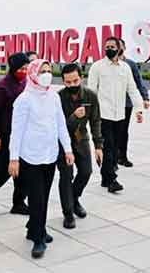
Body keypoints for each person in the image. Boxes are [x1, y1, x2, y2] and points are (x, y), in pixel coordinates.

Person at [8, 59, 74, 259]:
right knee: (36, 198)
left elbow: (61, 124)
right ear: (33, 74)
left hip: (50, 155)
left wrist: (68, 149)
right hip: (31, 157)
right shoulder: (24, 100)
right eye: (42, 71)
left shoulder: (53, 97)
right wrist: (14, 159)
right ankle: (38, 238)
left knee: (44, 196)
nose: (46, 74)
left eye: (48, 70)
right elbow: (16, 132)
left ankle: (36, 229)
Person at [87, 37, 144, 193]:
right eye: (107, 46)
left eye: (112, 46)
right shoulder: (97, 67)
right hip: (102, 114)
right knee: (109, 146)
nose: (109, 48)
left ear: (119, 49)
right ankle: (112, 180)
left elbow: (132, 89)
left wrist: (139, 109)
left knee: (114, 146)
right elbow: (91, 91)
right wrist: (90, 113)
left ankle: (106, 178)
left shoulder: (125, 68)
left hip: (120, 114)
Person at [0, 52, 30, 214]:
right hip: (7, 134)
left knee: (22, 169)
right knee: (6, 169)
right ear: (14, 67)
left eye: (26, 67)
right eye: (22, 68)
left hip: (23, 133)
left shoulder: (26, 83)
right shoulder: (2, 86)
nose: (25, 70)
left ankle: (18, 203)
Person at [57, 63, 103, 229]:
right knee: (66, 176)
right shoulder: (58, 98)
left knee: (86, 172)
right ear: (63, 82)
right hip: (63, 143)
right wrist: (74, 117)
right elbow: (58, 126)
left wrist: (98, 146)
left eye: (75, 81)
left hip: (81, 140)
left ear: (81, 78)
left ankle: (74, 199)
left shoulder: (90, 95)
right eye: (68, 82)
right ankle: (68, 212)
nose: (72, 85)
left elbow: (96, 121)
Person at [117, 39, 150, 168]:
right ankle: (113, 158)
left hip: (126, 103)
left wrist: (145, 98)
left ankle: (123, 157)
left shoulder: (130, 64)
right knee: (112, 131)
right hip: (111, 103)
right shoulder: (105, 64)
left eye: (120, 46)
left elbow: (138, 81)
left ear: (124, 48)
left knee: (123, 130)